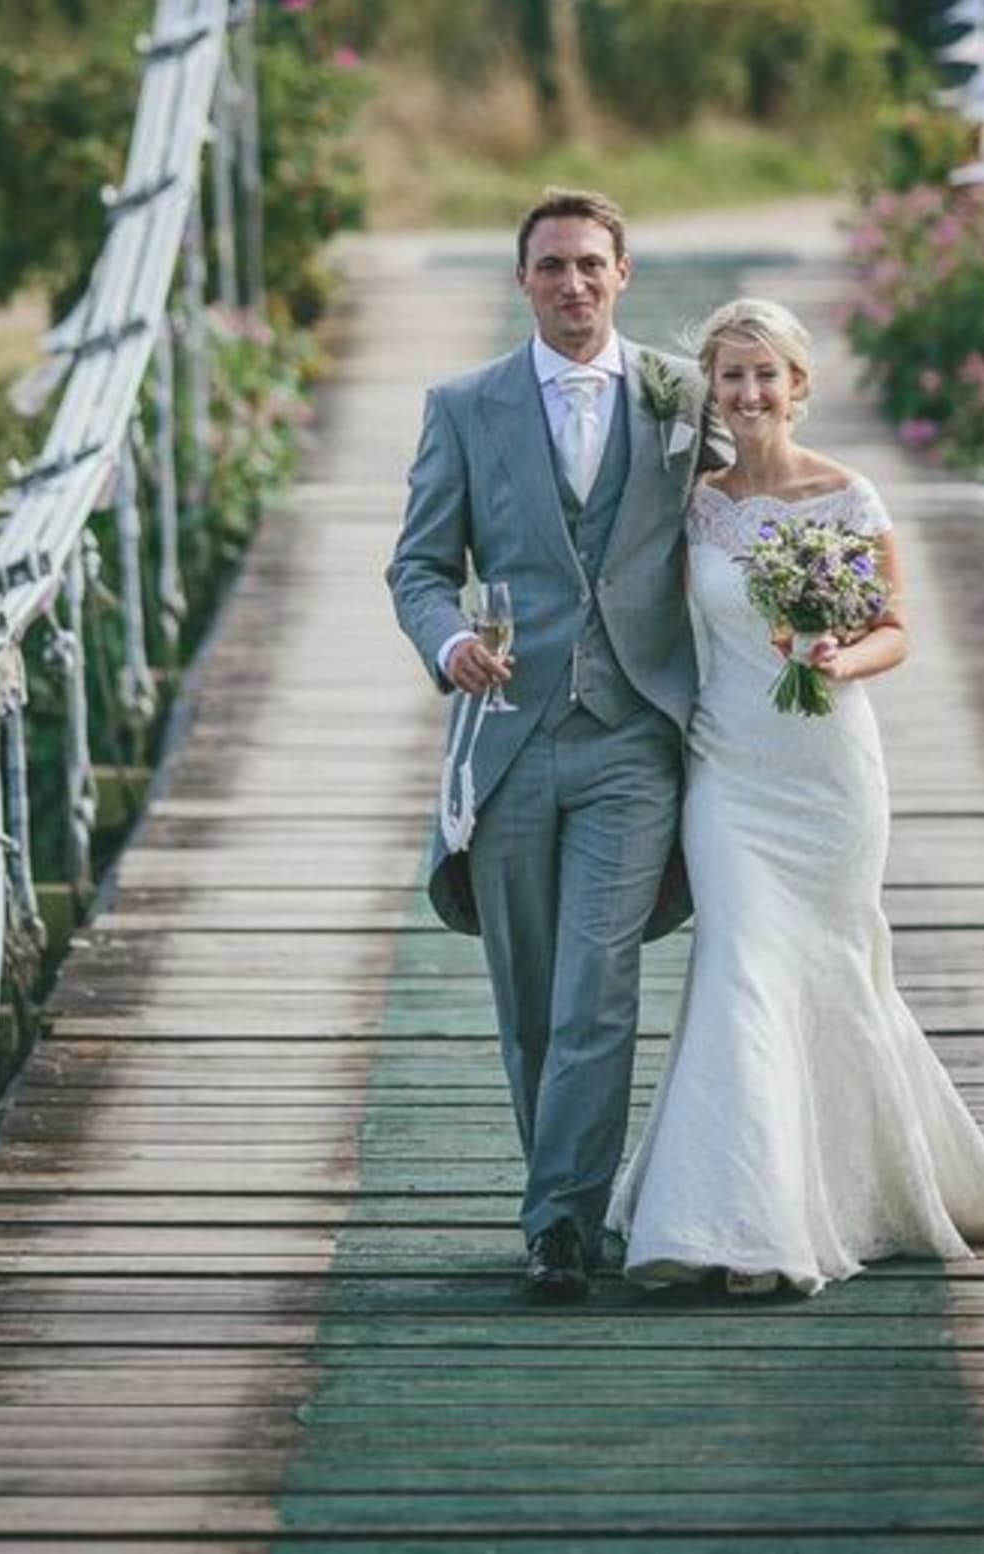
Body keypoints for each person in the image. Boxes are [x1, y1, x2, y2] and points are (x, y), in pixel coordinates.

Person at [608, 296, 984, 1295]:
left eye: (766, 375)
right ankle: (734, 1218)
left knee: (832, 972)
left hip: (827, 772)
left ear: (798, 387)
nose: (749, 393)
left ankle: (821, 1196)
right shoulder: (693, 502)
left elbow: (895, 627)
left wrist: (837, 656)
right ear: (712, 388)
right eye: (732, 375)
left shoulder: (849, 494)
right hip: (728, 770)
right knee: (741, 967)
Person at [387, 187, 716, 1302]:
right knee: (527, 995)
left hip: (632, 736)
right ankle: (561, 1195)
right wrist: (446, 646)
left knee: (596, 987)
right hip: (512, 744)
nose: (571, 284)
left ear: (623, 273)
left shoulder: (682, 401)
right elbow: (420, 565)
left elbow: (749, 502)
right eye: (549, 267)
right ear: (521, 280)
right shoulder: (464, 404)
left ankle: (560, 1221)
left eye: (590, 264)